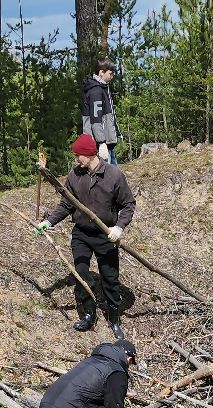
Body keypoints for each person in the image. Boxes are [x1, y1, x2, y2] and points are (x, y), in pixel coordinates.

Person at [36, 133, 136, 335]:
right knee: (81, 274)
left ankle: (114, 319)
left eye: (78, 155)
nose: (76, 159)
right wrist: (49, 221)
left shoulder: (114, 176)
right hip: (81, 234)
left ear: (89, 154)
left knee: (110, 277)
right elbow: (66, 204)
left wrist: (119, 227)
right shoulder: (75, 175)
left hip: (105, 235)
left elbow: (128, 205)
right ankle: (88, 314)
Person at [80, 58, 120, 164]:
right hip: (100, 146)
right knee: (107, 178)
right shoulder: (96, 91)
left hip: (107, 144)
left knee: (115, 177)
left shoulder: (103, 88)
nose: (112, 76)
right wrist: (101, 143)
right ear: (101, 72)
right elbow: (96, 119)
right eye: (110, 73)